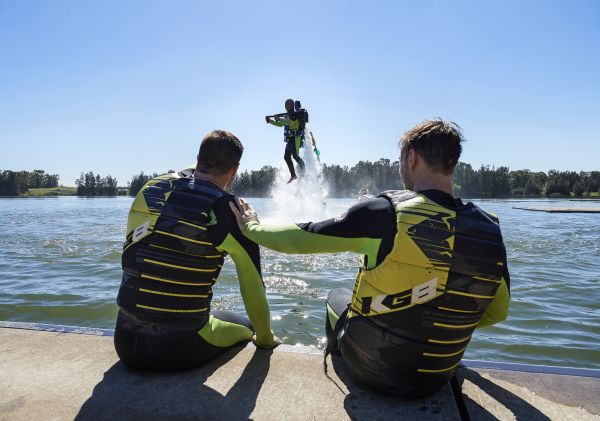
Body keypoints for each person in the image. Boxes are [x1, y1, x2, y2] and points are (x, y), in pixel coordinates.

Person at [230, 119, 510, 398]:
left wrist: (252, 226)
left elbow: (299, 239)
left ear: (412, 157)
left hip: (374, 372)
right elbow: (497, 312)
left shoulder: (386, 212)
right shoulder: (489, 228)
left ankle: (333, 377)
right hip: (437, 379)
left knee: (337, 297)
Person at [114, 130, 279, 371]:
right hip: (178, 348)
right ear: (235, 170)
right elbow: (252, 285)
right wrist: (265, 341)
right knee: (246, 327)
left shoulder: (151, 189)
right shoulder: (231, 210)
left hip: (125, 342)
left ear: (198, 158)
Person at [266, 99, 306, 183]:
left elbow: (289, 122)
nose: (286, 106)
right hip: (290, 139)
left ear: (292, 105)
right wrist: (270, 121)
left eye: (288, 104)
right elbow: (281, 124)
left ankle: (305, 170)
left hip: (295, 138)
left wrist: (279, 119)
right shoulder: (288, 115)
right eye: (285, 105)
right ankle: (293, 175)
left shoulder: (295, 114)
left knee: (295, 156)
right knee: (286, 157)